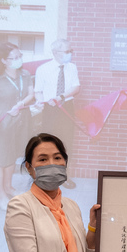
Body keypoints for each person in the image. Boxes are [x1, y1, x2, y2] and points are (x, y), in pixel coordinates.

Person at [0, 42, 35, 210]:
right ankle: (0, 195)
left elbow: (31, 95)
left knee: (11, 157)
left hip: (19, 124)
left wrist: (20, 104)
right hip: (1, 125)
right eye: (14, 57)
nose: (19, 60)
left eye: (20, 56)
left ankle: (9, 187)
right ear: (3, 60)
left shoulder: (25, 74)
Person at [33, 39, 81, 187]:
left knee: (66, 142)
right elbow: (38, 91)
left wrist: (61, 97)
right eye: (67, 51)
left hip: (66, 106)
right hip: (50, 109)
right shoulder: (43, 69)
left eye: (71, 51)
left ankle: (64, 176)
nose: (70, 54)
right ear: (55, 53)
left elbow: (76, 88)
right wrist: (40, 102)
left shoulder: (72, 67)